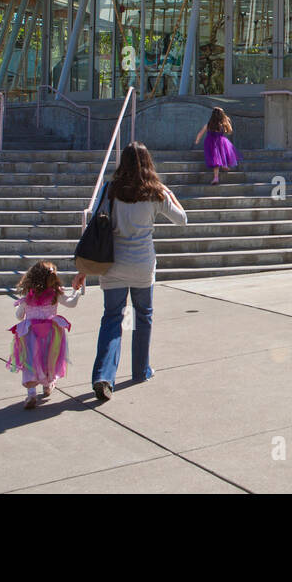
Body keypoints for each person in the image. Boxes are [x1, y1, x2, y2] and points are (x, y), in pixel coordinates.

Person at [73, 142, 186, 402]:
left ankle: (103, 375)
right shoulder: (156, 193)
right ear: (148, 164)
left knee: (112, 319)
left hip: (112, 265)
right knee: (142, 316)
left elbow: (95, 228)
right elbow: (182, 219)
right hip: (142, 265)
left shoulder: (109, 191)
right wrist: (169, 192)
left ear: (122, 163)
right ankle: (141, 370)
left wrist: (83, 270)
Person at [7, 260, 85, 410]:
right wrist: (77, 292)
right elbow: (71, 303)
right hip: (51, 333)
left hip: (31, 334)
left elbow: (18, 316)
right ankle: (48, 385)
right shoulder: (56, 293)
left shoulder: (28, 297)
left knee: (31, 363)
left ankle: (31, 393)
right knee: (49, 359)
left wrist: (25, 309)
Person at [194, 106, 240, 185]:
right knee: (223, 153)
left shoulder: (208, 124)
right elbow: (230, 131)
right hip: (220, 141)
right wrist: (226, 120)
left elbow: (200, 133)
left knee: (215, 159)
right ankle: (224, 165)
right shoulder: (223, 124)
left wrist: (197, 140)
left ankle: (216, 177)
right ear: (222, 115)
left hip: (210, 143)